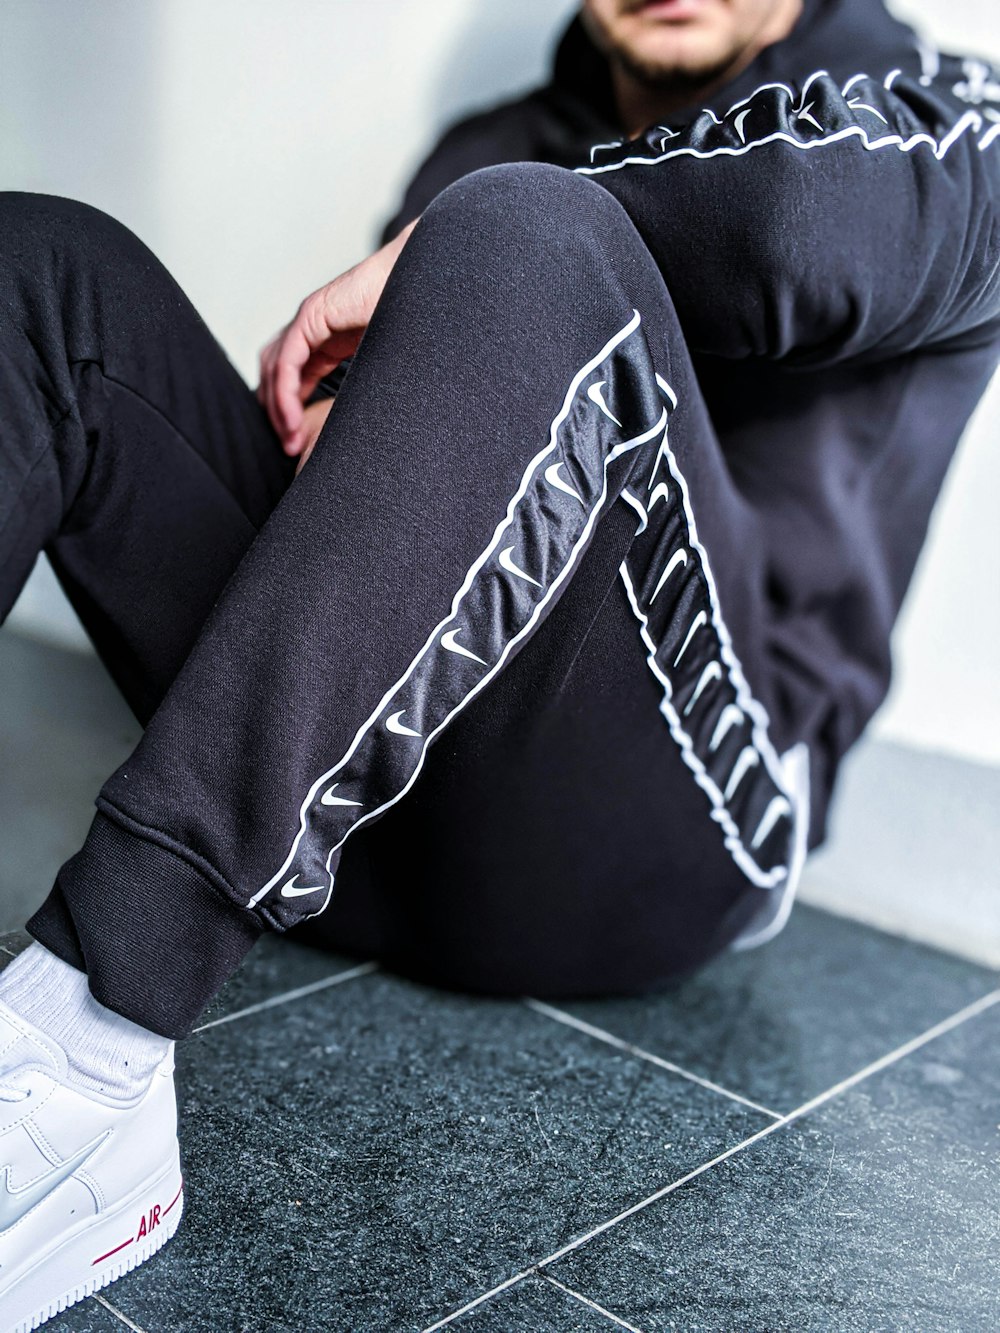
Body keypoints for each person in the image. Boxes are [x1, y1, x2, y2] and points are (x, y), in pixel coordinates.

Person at [0, 0, 996, 1324]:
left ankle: (88, 1047)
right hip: (346, 811)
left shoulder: (940, 110)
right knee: (42, 273)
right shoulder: (499, 137)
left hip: (663, 851)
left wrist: (482, 242)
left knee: (527, 228)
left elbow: (796, 234)